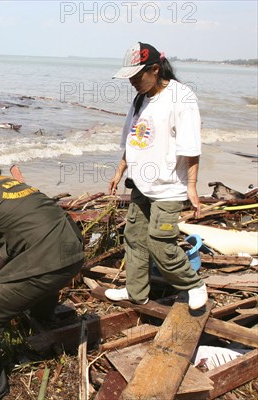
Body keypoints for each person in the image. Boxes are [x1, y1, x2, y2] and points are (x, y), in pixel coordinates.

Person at [0, 146, 84, 400]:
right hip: (73, 251)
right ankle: (42, 317)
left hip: (48, 258)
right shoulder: (9, 184)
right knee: (42, 277)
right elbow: (18, 243)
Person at [106, 42, 208, 310]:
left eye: (137, 77)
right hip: (141, 184)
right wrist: (120, 170)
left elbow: (191, 147)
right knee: (135, 239)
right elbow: (132, 139)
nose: (133, 83)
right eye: (130, 78)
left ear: (155, 69)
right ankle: (135, 292)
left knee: (160, 244)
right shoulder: (141, 97)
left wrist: (193, 187)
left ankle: (194, 284)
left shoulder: (181, 98)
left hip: (169, 188)